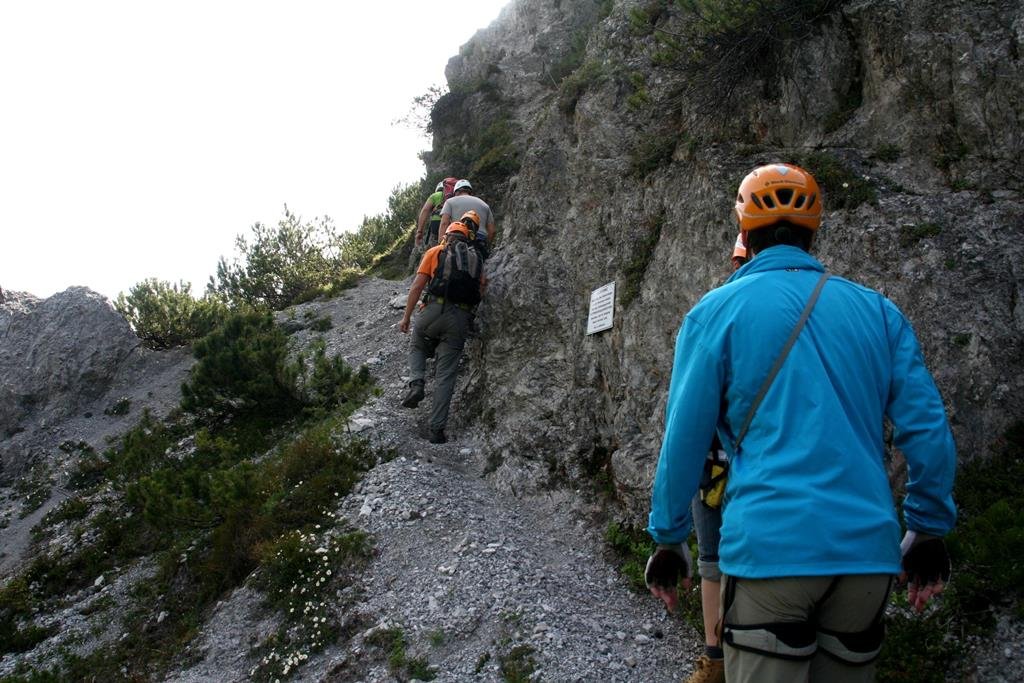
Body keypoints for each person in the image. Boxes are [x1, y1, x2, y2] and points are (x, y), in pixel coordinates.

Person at [645, 163, 957, 683]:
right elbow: (927, 430)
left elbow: (684, 443)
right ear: (815, 232)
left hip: (772, 552)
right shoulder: (878, 312)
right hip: (866, 558)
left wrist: (669, 537)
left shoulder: (715, 312)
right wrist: (927, 527)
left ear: (742, 231)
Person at [685, 237, 748, 683]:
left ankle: (715, 659)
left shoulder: (716, 311)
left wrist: (666, 531)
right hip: (755, 471)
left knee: (711, 560)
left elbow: (690, 412)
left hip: (713, 468)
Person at [399, 220, 485, 444]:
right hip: (460, 318)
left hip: (433, 309)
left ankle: (417, 382)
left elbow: (417, 286)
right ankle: (436, 431)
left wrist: (407, 317)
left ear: (447, 236)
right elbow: (482, 288)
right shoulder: (476, 259)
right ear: (467, 238)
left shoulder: (436, 251)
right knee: (446, 375)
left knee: (417, 343)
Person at [438, 179, 497, 255]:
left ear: (456, 191)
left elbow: (444, 223)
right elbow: (492, 231)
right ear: (470, 191)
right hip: (480, 241)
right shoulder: (484, 205)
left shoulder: (450, 202)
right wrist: (487, 246)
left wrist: (440, 244)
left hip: (459, 239)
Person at [415, 181, 446, 247]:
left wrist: (419, 231)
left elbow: (425, 210)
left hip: (436, 223)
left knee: (436, 247)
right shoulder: (453, 195)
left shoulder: (434, 195)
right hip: (450, 223)